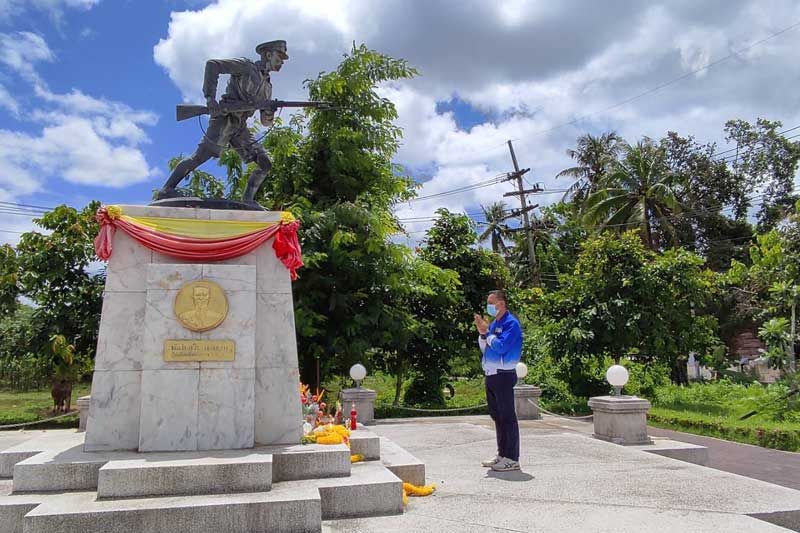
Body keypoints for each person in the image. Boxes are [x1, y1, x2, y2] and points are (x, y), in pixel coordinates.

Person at [156, 40, 288, 203]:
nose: (282, 62)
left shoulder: (267, 87)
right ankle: (166, 189)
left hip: (240, 126)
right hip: (224, 120)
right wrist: (210, 99)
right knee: (200, 157)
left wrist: (270, 111)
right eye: (280, 57)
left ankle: (247, 201)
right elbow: (213, 65)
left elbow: (265, 122)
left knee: (265, 163)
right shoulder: (246, 67)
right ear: (268, 54)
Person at [473, 289, 522, 472]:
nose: (489, 306)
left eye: (491, 302)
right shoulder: (495, 323)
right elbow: (487, 347)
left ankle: (512, 458)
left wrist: (489, 334)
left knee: (508, 416)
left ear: (501, 303)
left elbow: (501, 347)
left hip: (504, 373)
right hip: (491, 373)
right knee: (497, 416)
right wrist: (483, 333)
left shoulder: (511, 324)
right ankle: (502, 454)